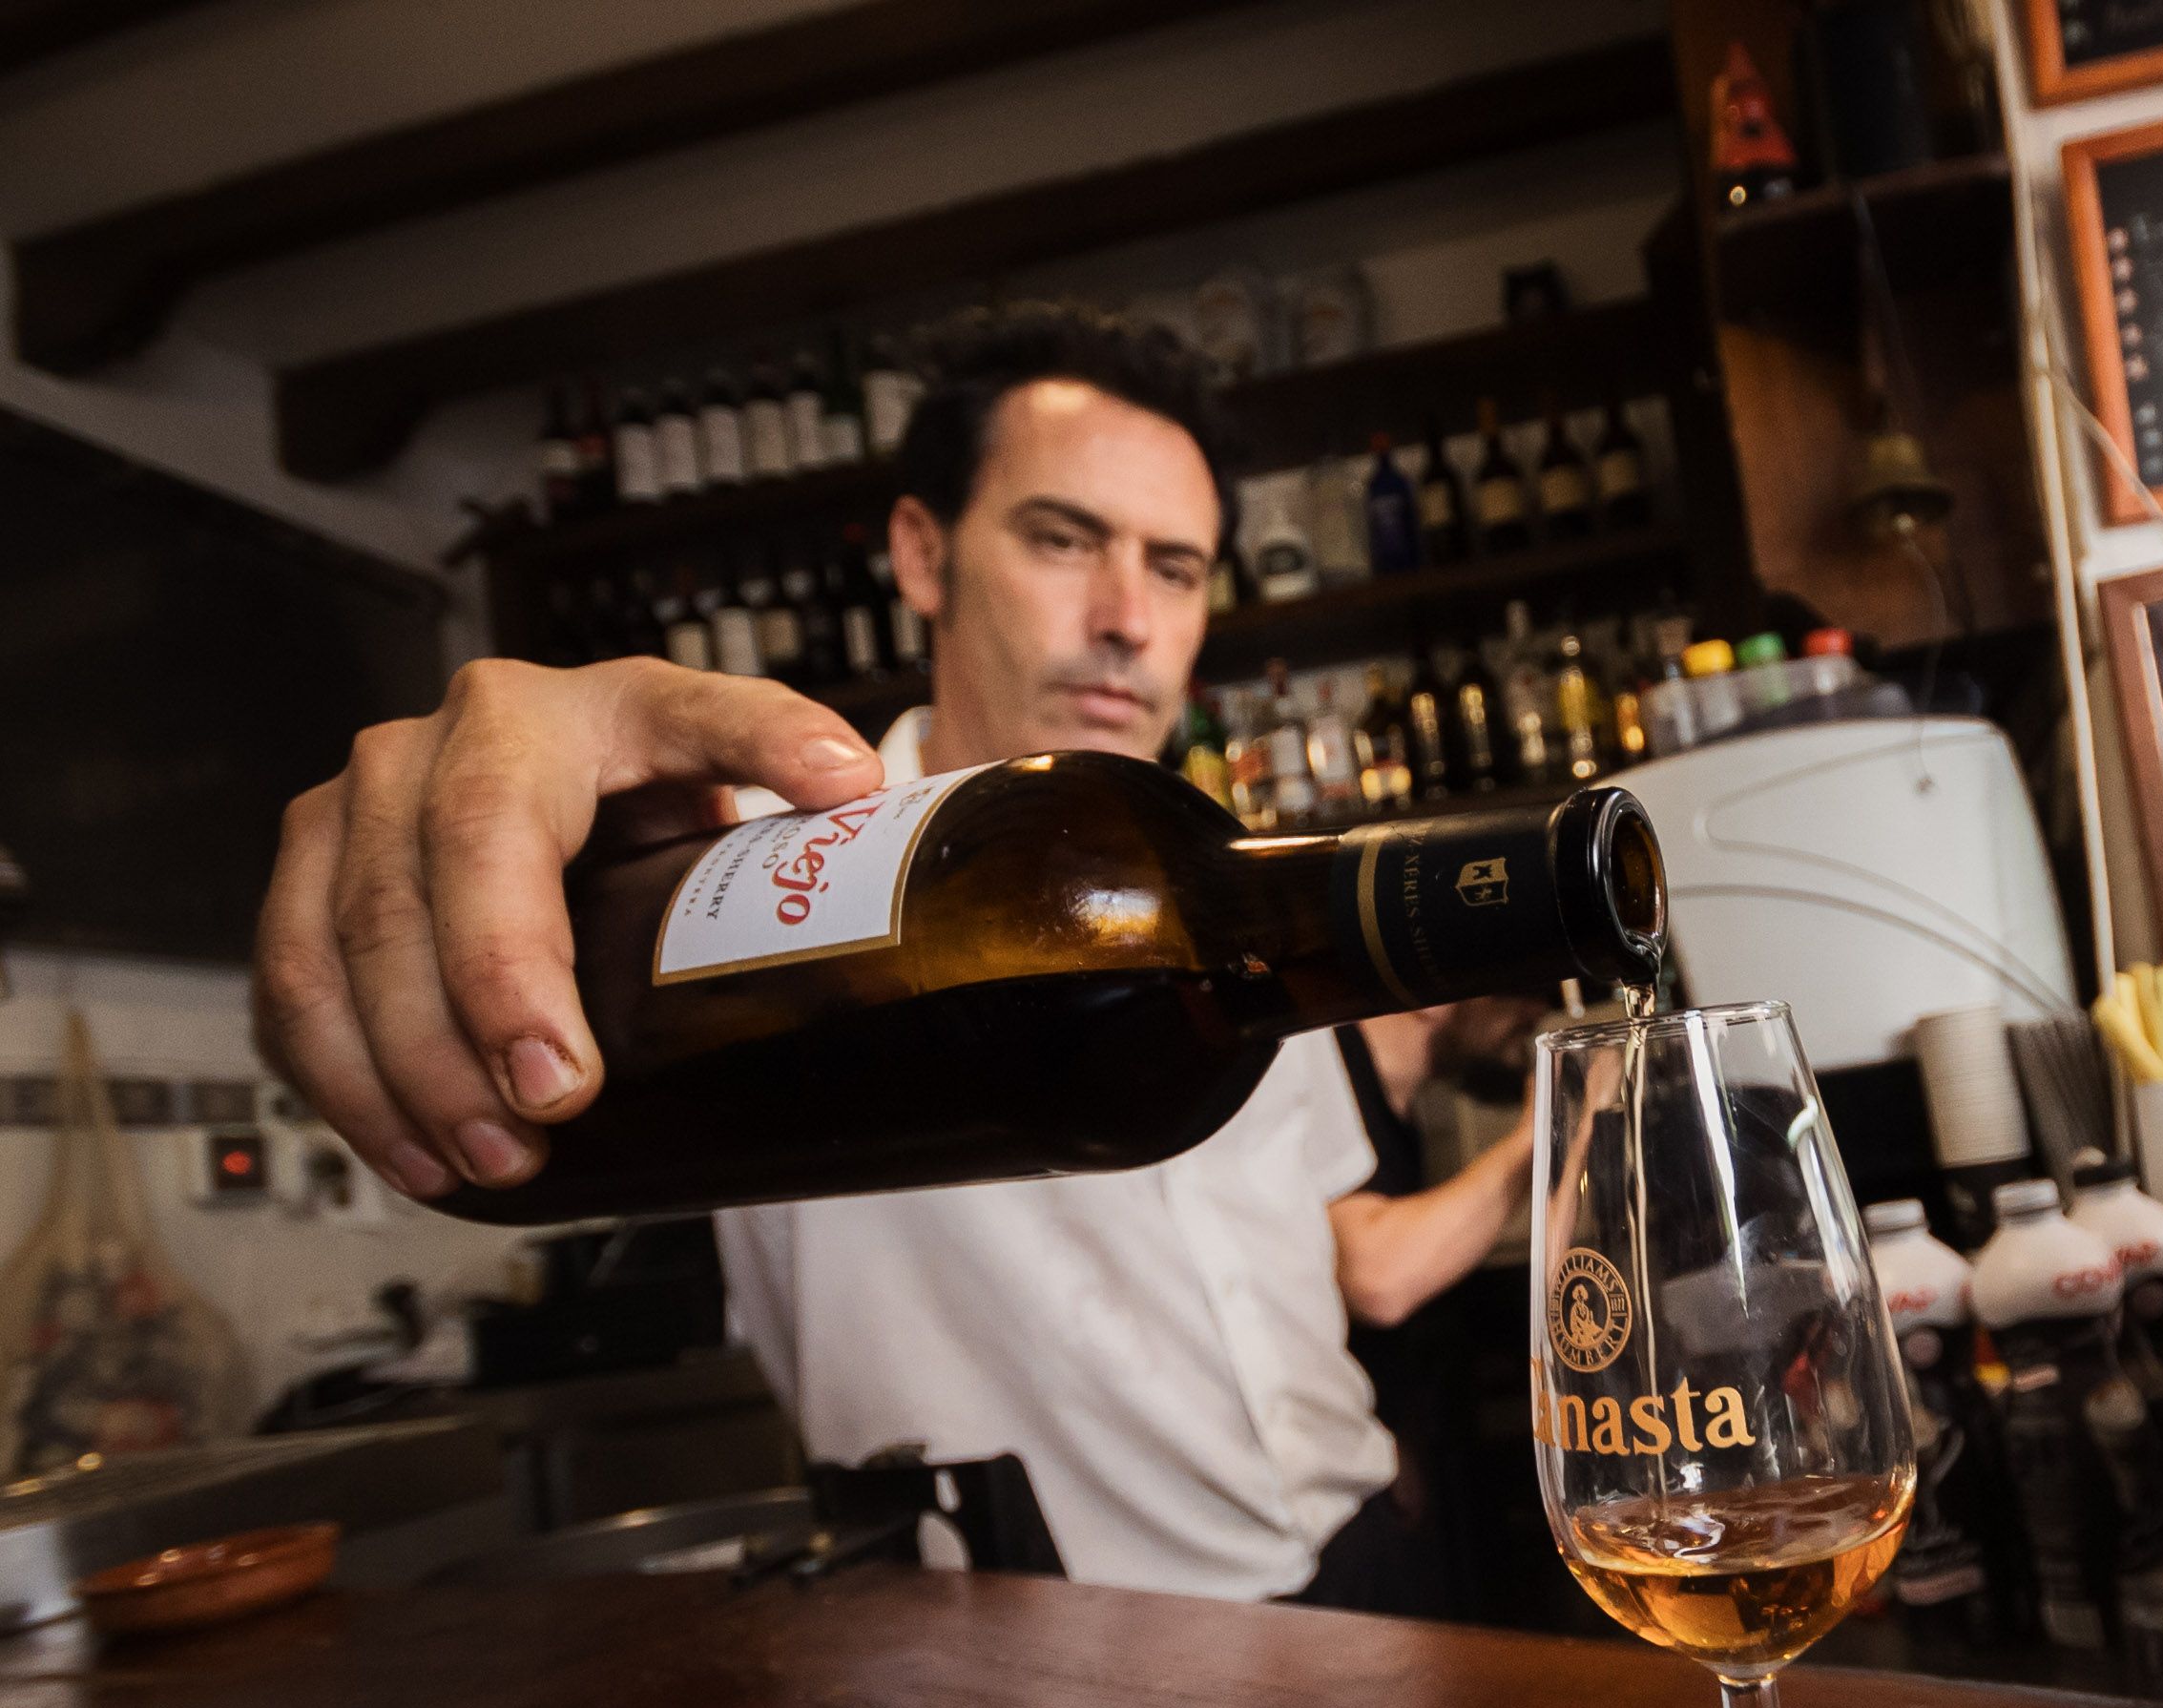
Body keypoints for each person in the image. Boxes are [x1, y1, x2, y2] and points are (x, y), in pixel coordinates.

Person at [251, 302, 1522, 1606]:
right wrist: (422, 854)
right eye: (1063, 539)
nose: (1130, 618)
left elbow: (1327, 1236)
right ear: (923, 555)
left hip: (1370, 1541)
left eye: (1178, 567)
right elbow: (476, 967)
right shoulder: (750, 872)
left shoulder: (1237, 881)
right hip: (1071, 1654)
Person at [1331, 998, 1549, 1618]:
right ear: (1431, 998)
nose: (1530, 1010)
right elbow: (1378, 1279)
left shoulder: (1399, 1108)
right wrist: (1538, 1133)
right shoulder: (1326, 1082)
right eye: (1512, 981)